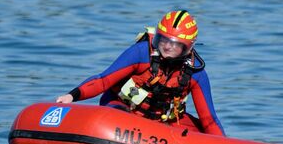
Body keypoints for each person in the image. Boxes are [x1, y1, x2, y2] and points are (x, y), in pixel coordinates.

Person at [56, 10, 224, 135]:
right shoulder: (141, 53)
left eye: (175, 44)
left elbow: (209, 118)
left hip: (164, 121)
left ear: (188, 47)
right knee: (115, 119)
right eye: (163, 39)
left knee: (202, 132)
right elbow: (103, 80)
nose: (167, 46)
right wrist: (72, 96)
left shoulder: (195, 73)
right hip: (123, 109)